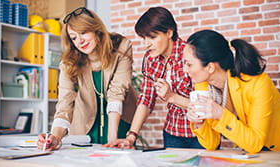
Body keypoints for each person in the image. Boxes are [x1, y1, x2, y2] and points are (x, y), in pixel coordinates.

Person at [37, 7, 137, 151]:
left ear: (96, 29)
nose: (80, 41)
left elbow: (117, 92)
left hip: (118, 120)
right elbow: (65, 102)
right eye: (74, 37)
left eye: (83, 32)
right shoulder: (68, 62)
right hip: (86, 121)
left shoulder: (121, 46)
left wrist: (112, 138)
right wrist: (55, 137)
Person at [106, 7, 204, 149]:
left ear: (169, 32)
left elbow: (203, 105)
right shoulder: (151, 59)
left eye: (152, 37)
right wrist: (131, 136)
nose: (147, 44)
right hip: (173, 133)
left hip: (201, 135)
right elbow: (146, 99)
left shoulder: (190, 55)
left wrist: (171, 96)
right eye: (144, 38)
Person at [183, 29, 280, 153]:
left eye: (189, 64)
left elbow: (255, 143)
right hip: (248, 152)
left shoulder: (258, 83)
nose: (185, 69)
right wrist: (199, 123)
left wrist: (221, 114)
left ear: (210, 67)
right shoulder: (203, 85)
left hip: (279, 150)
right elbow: (211, 144)